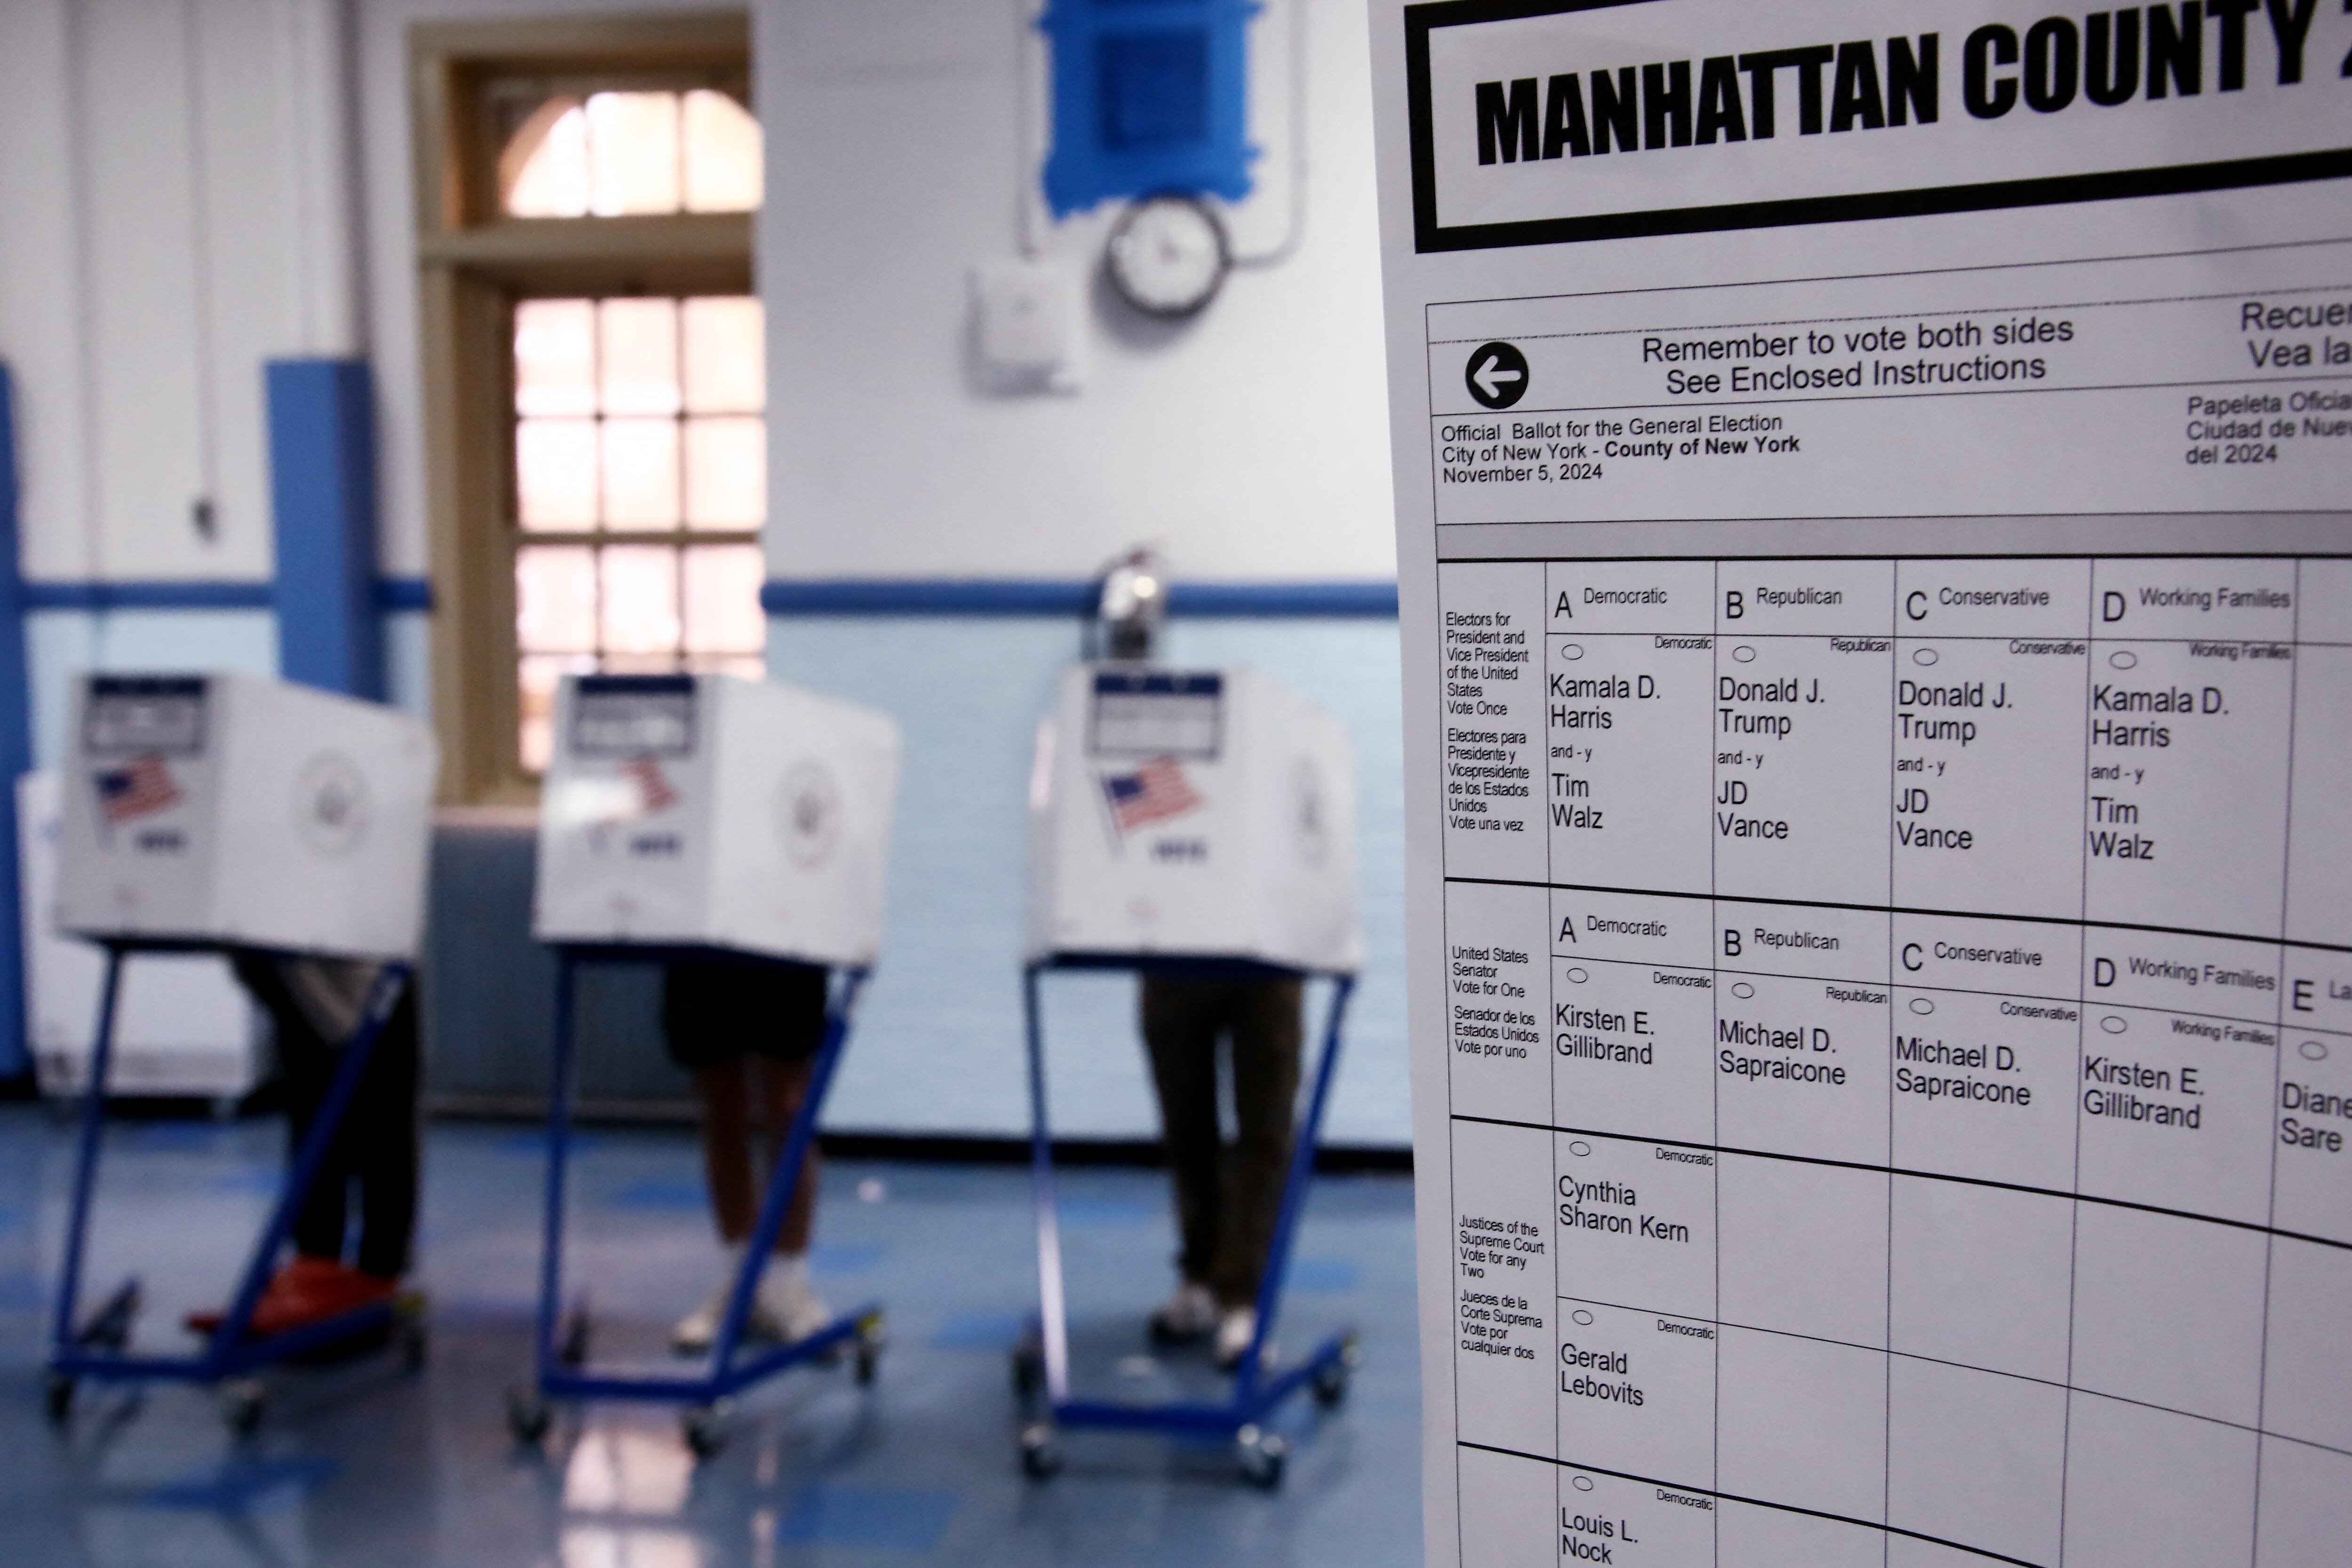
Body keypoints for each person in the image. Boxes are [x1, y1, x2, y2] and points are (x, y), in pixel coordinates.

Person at [187, 954, 419, 1339]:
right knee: (315, 1080)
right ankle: (319, 1261)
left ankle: (372, 1269)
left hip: (359, 943)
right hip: (293, 944)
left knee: (377, 1083)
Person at [663, 957, 834, 1353]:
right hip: (705, 943)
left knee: (790, 1108)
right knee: (722, 1103)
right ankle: (739, 1281)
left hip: (785, 932)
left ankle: (788, 1285)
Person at [1139, 971, 1304, 1370]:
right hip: (1173, 951)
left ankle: (1244, 1298)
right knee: (1185, 1126)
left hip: (1272, 953)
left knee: (1266, 1134)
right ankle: (1201, 1278)